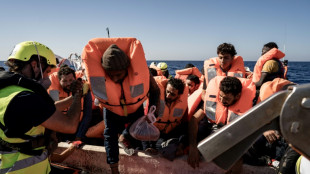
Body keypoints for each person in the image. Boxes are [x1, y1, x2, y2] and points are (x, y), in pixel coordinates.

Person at [0, 41, 82, 173]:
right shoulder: (26, 98)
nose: (49, 79)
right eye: (48, 72)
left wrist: (71, 98)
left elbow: (46, 111)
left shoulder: (7, 92)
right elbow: (70, 125)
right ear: (34, 65)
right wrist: (78, 95)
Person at [82, 38, 160, 174]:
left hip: (135, 108)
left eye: (118, 75)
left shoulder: (142, 72)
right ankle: (114, 170)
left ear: (126, 68)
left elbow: (155, 90)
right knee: (109, 135)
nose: (115, 79)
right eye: (111, 75)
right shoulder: (103, 77)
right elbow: (87, 88)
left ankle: (145, 149)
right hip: (111, 109)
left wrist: (152, 110)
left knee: (142, 128)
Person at [187, 76, 256, 172]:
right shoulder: (214, 103)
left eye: (227, 98)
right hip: (215, 135)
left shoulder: (249, 106)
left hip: (235, 140)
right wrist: (193, 147)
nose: (222, 100)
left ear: (237, 96)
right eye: (221, 96)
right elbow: (194, 119)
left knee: (238, 157)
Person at [143, 77, 188, 160]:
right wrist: (147, 147)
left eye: (172, 94)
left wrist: (182, 143)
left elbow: (184, 124)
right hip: (154, 134)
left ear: (179, 95)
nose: (168, 96)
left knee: (186, 127)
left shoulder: (183, 103)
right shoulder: (156, 100)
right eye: (167, 91)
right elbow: (145, 124)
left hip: (170, 132)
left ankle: (178, 146)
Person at [48, 65, 93, 141]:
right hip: (59, 127)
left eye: (71, 80)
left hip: (77, 126)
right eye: (64, 81)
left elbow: (87, 114)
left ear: (75, 79)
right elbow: (52, 111)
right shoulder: (53, 87)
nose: (68, 83)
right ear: (59, 81)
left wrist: (79, 136)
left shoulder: (83, 87)